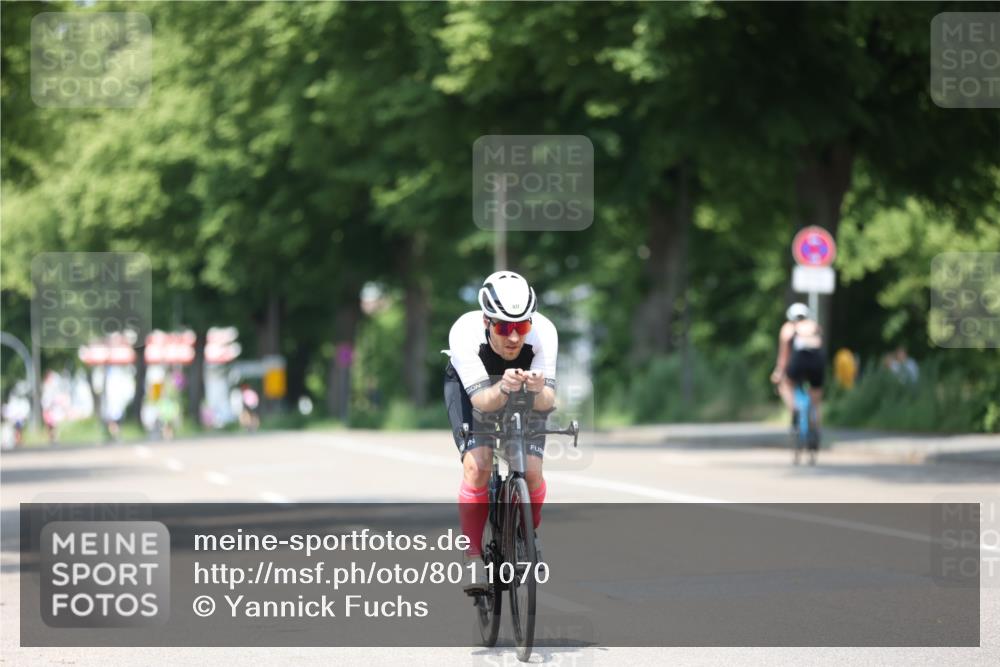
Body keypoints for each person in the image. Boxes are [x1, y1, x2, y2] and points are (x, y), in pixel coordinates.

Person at [444, 271, 558, 595]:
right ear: (486, 321)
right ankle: (472, 555)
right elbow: (482, 401)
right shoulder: (464, 334)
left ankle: (527, 536)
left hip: (520, 388)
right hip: (473, 390)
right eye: (504, 327)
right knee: (477, 466)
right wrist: (504, 387)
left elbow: (548, 401)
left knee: (532, 472)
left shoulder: (545, 333)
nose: (513, 337)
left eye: (521, 327)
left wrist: (536, 391)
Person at [770, 303, 825, 443]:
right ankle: (815, 430)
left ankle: (794, 410)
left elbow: (784, 356)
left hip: (798, 363)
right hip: (817, 363)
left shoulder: (788, 328)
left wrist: (779, 372)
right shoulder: (814, 326)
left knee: (785, 385)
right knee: (816, 399)